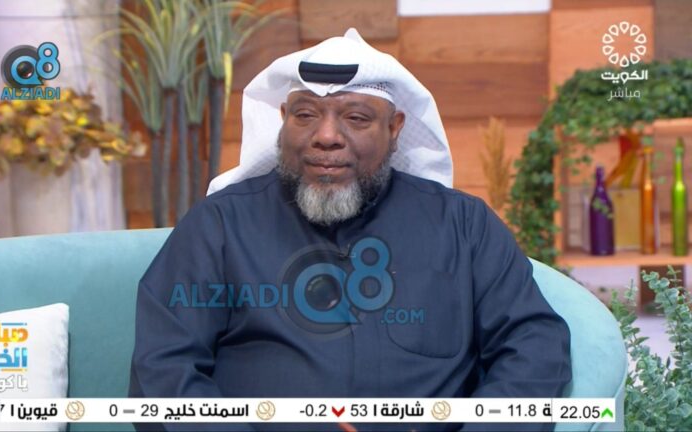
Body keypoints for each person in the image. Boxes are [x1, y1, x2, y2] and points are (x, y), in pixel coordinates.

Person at [129, 29, 572, 432]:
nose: (326, 136)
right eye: (306, 115)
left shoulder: (463, 225)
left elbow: (534, 347)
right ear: (283, 119)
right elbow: (164, 371)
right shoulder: (218, 226)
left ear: (395, 129)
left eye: (356, 118)